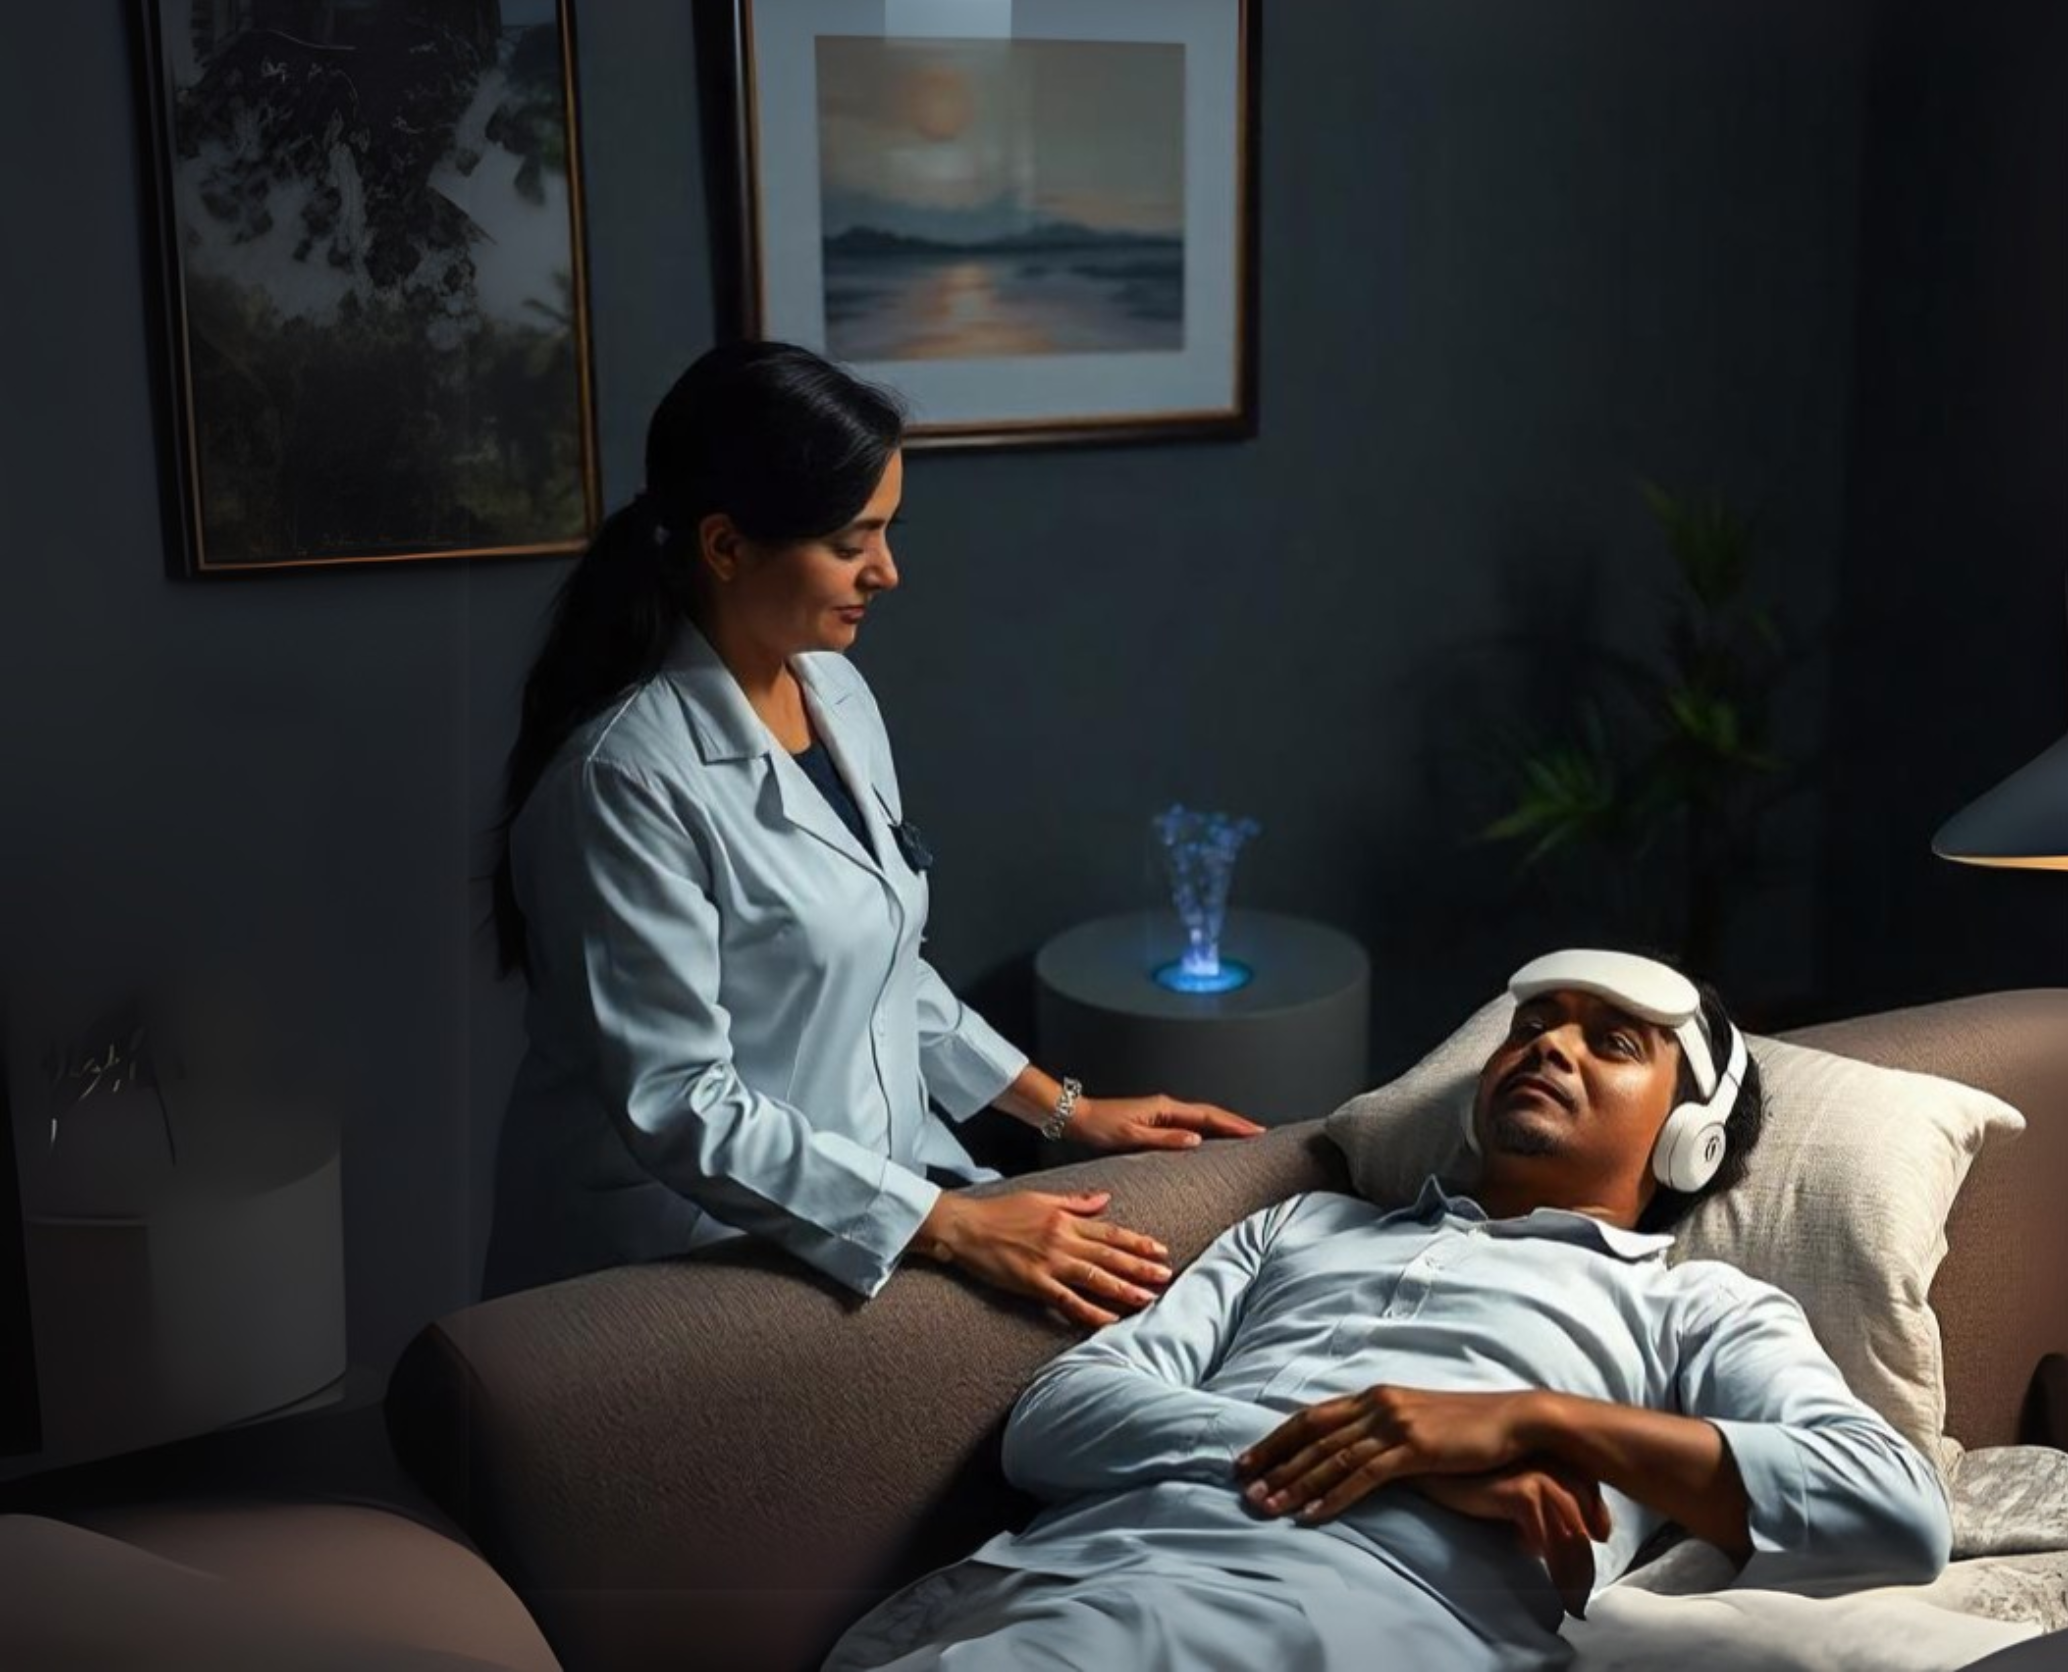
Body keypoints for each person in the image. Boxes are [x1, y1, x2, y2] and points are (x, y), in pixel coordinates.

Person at [823, 949, 1952, 1672]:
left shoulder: (1696, 1306)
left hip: (1357, 1626)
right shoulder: (1305, 1227)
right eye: (1534, 1026)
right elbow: (1056, 1421)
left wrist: (1530, 1424)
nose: (1548, 1045)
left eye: (1610, 1043)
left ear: (1687, 1138)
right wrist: (1399, 1452)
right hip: (1082, 1583)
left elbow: (1894, 1507)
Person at [481, 341, 1258, 1319]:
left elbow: (883, 963)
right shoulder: (625, 784)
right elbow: (680, 1104)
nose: (887, 572)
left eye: (887, 531)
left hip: (873, 1197)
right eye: (854, 542)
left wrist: (1067, 1111)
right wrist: (954, 1224)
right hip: (680, 1252)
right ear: (725, 548)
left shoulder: (834, 690)